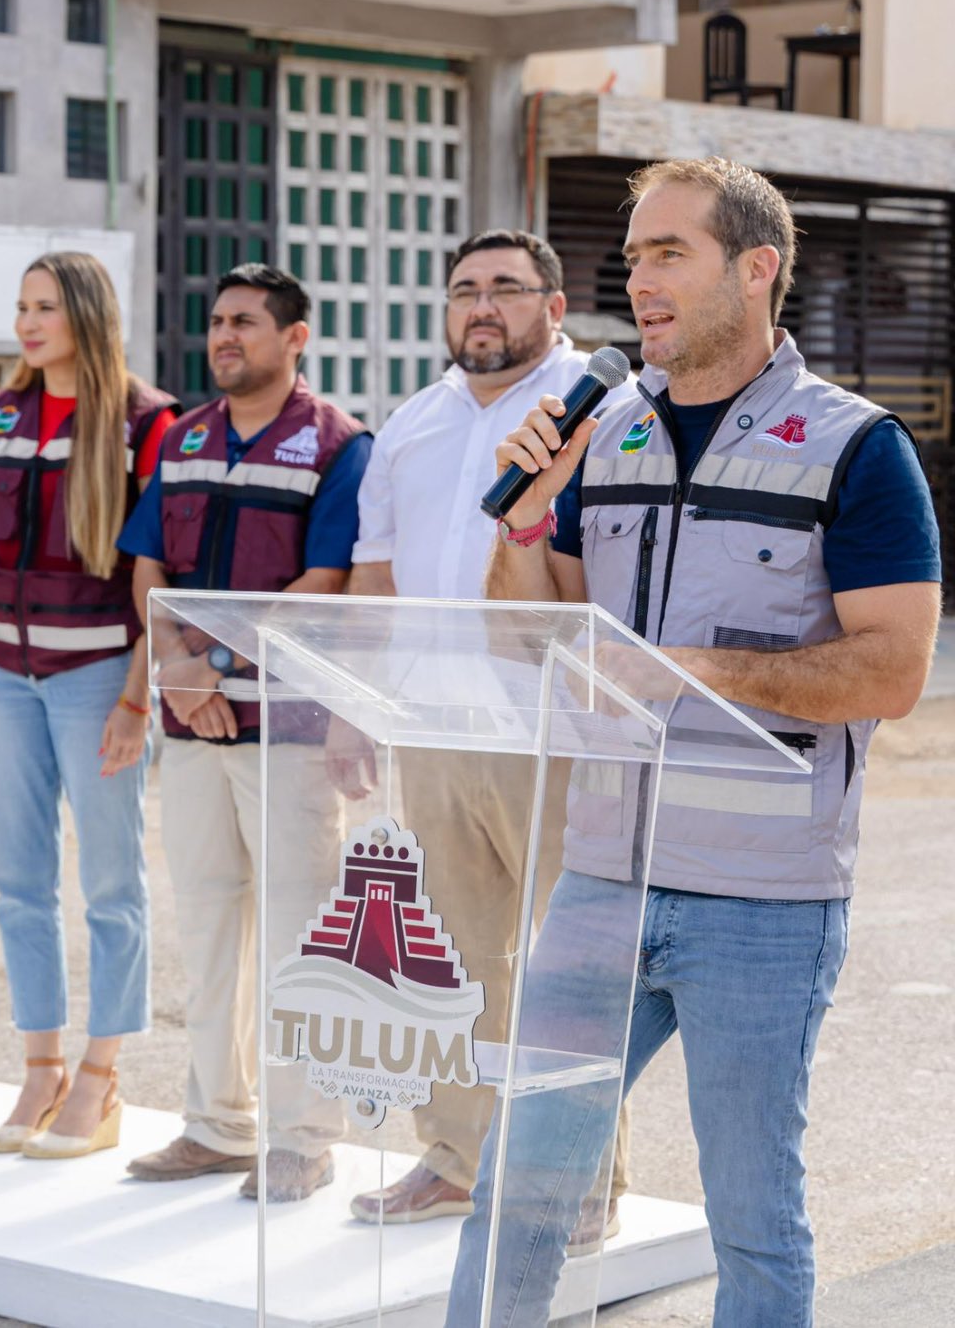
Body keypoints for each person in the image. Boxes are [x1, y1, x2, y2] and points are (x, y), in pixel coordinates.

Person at [452, 157, 941, 1327]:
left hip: (761, 899)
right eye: (630, 257)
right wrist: (524, 509)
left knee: (751, 1215)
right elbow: (529, 631)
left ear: (755, 267)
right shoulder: (601, 431)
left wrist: (696, 669)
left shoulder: (855, 448)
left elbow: (895, 667)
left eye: (668, 252)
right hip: (600, 882)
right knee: (515, 1184)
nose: (640, 280)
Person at [338, 230, 629, 1242]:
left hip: (551, 727)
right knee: (450, 961)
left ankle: (580, 1178)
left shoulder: (600, 415)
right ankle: (457, 1156)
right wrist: (354, 704)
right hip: (429, 722)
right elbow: (374, 575)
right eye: (463, 290)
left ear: (553, 305)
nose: (480, 307)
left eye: (505, 288)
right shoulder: (410, 421)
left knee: (567, 970)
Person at [116, 264, 370, 1199]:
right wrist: (175, 671)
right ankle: (217, 1126)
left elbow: (324, 585)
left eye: (247, 324)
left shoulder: (339, 446)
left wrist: (207, 667)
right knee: (211, 928)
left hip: (290, 729)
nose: (226, 337)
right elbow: (147, 563)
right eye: (217, 321)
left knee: (301, 936)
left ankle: (303, 1137)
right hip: (192, 731)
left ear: (295, 338)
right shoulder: (180, 439)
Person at [0, 252, 179, 1160]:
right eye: (20, 307)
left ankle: (103, 1076)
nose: (28, 324)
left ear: (85, 313)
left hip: (94, 679)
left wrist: (135, 698)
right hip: (2, 673)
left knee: (112, 885)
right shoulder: (2, 414)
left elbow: (157, 577)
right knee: (17, 884)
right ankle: (40, 1068)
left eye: (45, 307)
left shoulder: (149, 423)